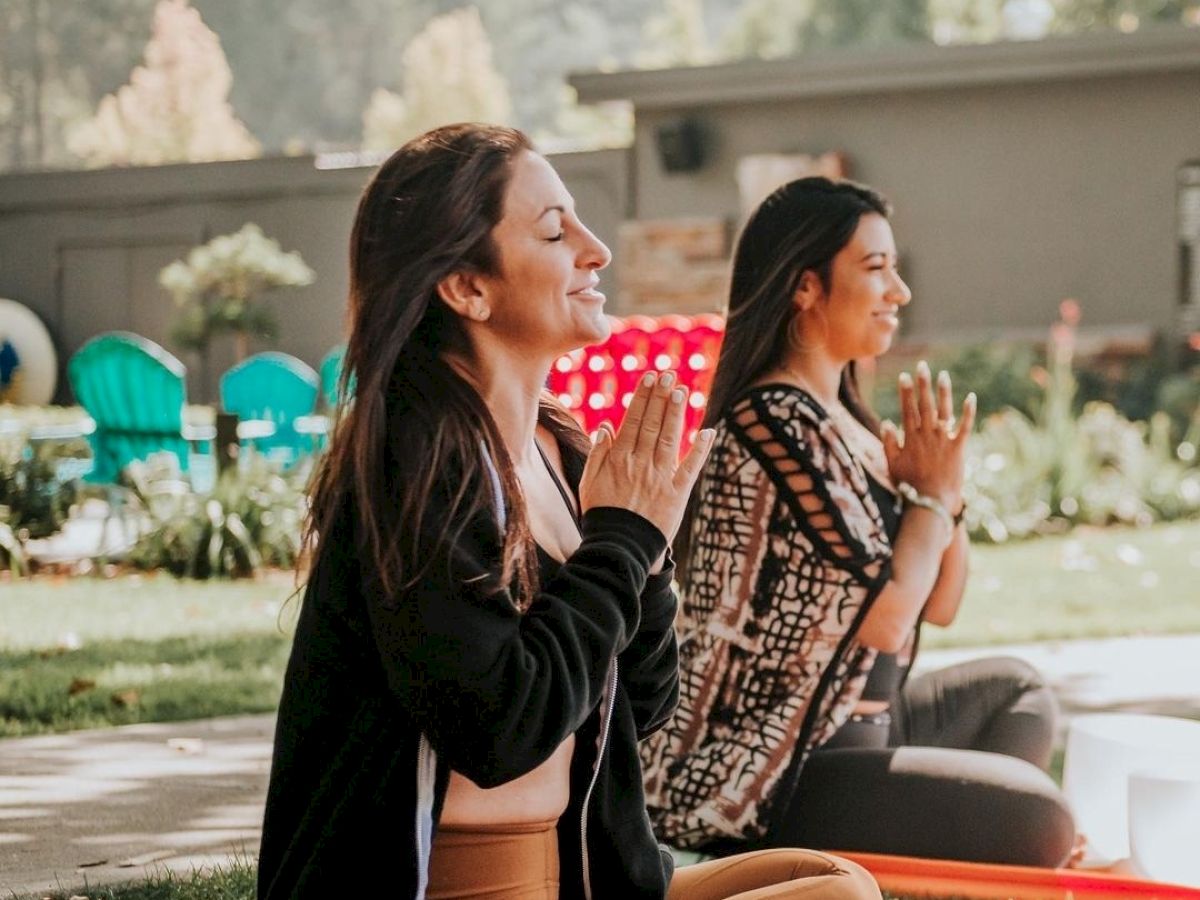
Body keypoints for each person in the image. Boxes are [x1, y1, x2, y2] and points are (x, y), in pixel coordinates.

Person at [257, 125, 881, 900]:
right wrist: (622, 540)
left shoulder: (560, 451)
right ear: (466, 287)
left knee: (827, 877)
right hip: (451, 883)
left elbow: (642, 707)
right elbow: (499, 729)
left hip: (581, 873)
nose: (597, 250)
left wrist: (646, 554)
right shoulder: (415, 468)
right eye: (555, 230)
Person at [641, 176, 1076, 867]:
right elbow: (886, 618)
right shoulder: (771, 423)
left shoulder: (847, 425)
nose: (898, 292)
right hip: (779, 769)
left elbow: (942, 601)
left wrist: (945, 496)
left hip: (864, 727)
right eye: (876, 269)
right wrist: (930, 499)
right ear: (805, 287)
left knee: (1019, 691)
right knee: (1039, 819)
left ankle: (942, 865)